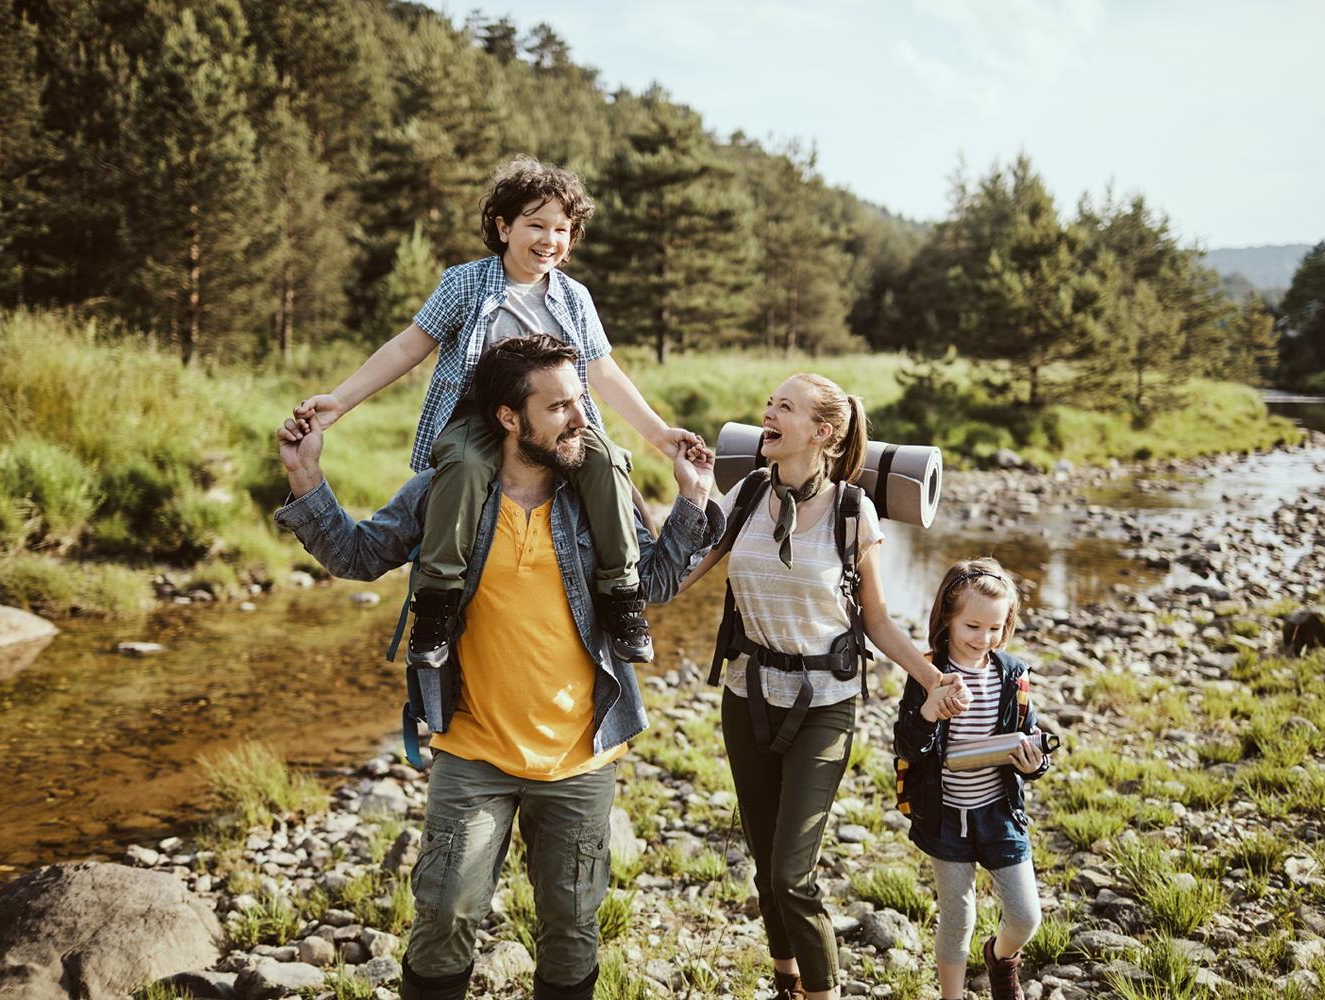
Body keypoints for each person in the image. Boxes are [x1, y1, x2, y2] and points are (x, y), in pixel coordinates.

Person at [273, 335, 723, 1000]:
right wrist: (305, 475)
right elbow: (360, 556)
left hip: (581, 756)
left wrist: (692, 498)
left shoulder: (602, 494)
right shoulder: (445, 492)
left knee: (570, 927)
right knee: (446, 912)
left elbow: (652, 584)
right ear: (509, 418)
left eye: (581, 402)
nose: (580, 419)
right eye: (560, 407)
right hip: (472, 749)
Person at [292, 155, 698, 668]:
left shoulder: (574, 297)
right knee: (462, 467)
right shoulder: (465, 283)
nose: (549, 240)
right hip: (477, 414)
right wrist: (341, 400)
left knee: (608, 461)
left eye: (562, 229)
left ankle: (621, 596)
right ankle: (437, 602)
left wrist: (659, 435)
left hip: (561, 421)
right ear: (504, 227)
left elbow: (604, 373)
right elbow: (408, 347)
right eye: (535, 224)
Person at [679, 373, 965, 1000]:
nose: (767, 413)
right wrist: (688, 497)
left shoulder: (851, 511)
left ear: (823, 431)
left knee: (791, 875)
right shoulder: (746, 494)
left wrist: (932, 676)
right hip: (746, 698)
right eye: (768, 403)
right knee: (763, 866)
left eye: (784, 407)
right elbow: (678, 572)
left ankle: (823, 991)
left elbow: (879, 620)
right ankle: (786, 982)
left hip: (824, 708)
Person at [893, 558, 1050, 1000]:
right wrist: (929, 711)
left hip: (999, 812)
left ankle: (1001, 961)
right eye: (972, 627)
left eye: (995, 629)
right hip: (945, 817)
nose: (984, 639)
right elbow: (906, 746)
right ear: (947, 618)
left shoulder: (1011, 675)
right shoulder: (927, 671)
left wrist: (1032, 761)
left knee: (1024, 916)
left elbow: (1031, 740)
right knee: (957, 917)